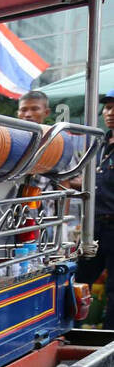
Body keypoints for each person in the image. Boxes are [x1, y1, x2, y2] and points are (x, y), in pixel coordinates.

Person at [75, 91, 114, 329]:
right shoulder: (99, 144)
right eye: (108, 107)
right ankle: (72, 330)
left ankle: (109, 344)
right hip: (95, 227)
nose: (110, 113)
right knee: (80, 280)